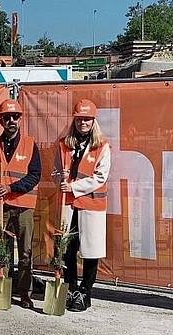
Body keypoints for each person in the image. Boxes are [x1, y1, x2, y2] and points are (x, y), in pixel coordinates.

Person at [0, 99, 41, 309]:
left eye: (14, 117)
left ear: (20, 119)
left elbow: (35, 175)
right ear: (1, 121)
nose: (11, 121)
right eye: (7, 118)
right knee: (0, 249)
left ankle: (24, 292)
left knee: (25, 251)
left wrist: (12, 188)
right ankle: (1, 287)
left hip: (23, 205)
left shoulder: (30, 144)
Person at [55, 99, 111, 312]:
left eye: (87, 119)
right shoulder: (64, 144)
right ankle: (70, 288)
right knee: (67, 249)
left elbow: (100, 177)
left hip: (91, 206)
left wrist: (74, 187)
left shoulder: (102, 147)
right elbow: (55, 171)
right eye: (79, 119)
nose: (83, 123)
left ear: (93, 121)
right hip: (68, 206)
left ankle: (85, 292)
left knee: (90, 252)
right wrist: (58, 180)